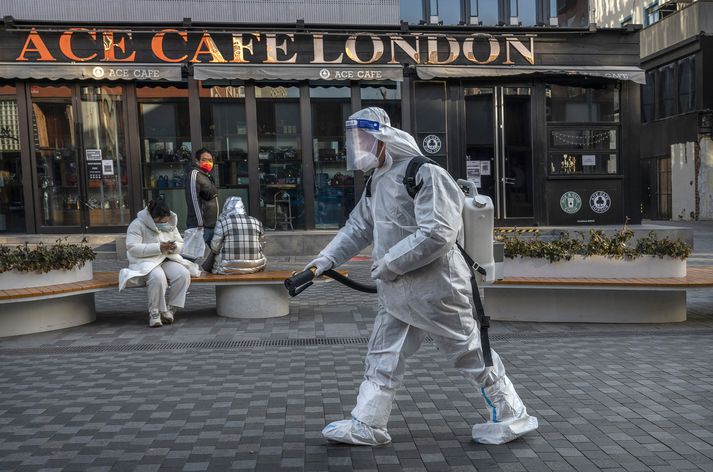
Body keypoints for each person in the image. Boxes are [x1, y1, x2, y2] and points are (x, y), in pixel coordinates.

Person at [305, 107, 538, 446]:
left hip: (437, 289)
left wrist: (388, 264)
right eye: (354, 139)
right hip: (397, 292)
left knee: (469, 352)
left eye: (363, 138)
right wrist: (323, 261)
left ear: (382, 135)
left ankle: (512, 413)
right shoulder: (377, 181)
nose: (358, 147)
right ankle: (368, 423)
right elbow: (358, 227)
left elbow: (438, 233)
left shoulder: (425, 173)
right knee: (383, 356)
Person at [119, 199, 200, 327]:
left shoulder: (171, 223)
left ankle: (171, 308)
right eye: (160, 221)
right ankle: (155, 312)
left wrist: (174, 247)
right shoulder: (137, 224)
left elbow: (180, 242)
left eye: (165, 221)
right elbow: (132, 248)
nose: (164, 224)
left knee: (183, 274)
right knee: (157, 277)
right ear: (152, 217)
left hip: (167, 258)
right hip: (145, 260)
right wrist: (158, 247)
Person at [209, 196, 267, 274]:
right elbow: (262, 245)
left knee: (213, 261)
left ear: (226, 208)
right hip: (256, 265)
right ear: (242, 208)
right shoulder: (256, 221)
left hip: (226, 267)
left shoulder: (222, 222)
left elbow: (215, 247)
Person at [185, 147, 219, 243]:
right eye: (204, 160)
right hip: (200, 227)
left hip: (211, 226)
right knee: (198, 256)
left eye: (210, 160)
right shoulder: (194, 174)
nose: (208, 162)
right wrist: (199, 223)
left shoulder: (207, 176)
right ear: (197, 161)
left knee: (208, 256)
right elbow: (193, 200)